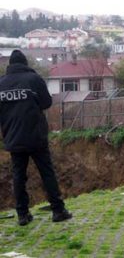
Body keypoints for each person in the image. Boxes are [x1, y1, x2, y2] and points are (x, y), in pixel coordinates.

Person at [0, 50, 72, 226]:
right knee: (46, 172)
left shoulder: (1, 84)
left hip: (13, 137)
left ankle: (22, 215)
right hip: (35, 136)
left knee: (18, 176)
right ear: (25, 63)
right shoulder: (34, 79)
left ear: (10, 65)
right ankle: (58, 210)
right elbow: (47, 102)